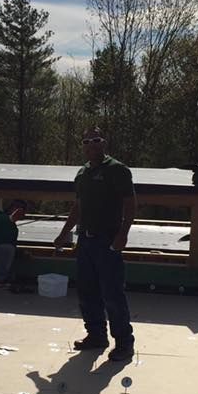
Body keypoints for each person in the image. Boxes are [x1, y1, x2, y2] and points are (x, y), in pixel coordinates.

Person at [54, 127, 136, 362]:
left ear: (104, 143)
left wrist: (123, 234)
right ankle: (96, 335)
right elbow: (77, 207)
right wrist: (63, 233)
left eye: (96, 139)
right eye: (86, 140)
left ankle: (124, 343)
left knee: (112, 293)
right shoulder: (82, 174)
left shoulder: (117, 170)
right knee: (87, 291)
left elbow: (130, 204)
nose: (91, 144)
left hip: (108, 240)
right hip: (85, 241)